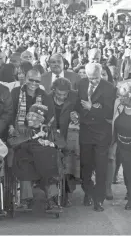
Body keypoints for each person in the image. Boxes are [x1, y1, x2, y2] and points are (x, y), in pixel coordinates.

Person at [8, 103, 66, 213]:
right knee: (24, 168)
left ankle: (52, 200)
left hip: (45, 162)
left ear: (41, 119)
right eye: (29, 116)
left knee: (50, 168)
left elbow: (62, 143)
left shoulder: (49, 131)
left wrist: (50, 143)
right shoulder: (21, 130)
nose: (30, 119)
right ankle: (25, 200)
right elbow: (13, 142)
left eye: (34, 117)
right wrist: (33, 136)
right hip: (26, 161)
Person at [74, 62, 116, 212]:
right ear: (86, 75)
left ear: (101, 73)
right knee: (86, 166)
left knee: (100, 167)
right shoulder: (80, 84)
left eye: (96, 78)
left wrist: (92, 108)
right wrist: (75, 113)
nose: (94, 81)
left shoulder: (109, 88)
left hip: (101, 133)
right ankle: (88, 192)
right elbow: (77, 104)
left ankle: (99, 199)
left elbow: (109, 112)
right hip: (85, 131)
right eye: (91, 78)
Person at [49, 78, 79, 207]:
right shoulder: (47, 98)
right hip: (51, 135)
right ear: (54, 90)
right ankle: (52, 192)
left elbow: (79, 114)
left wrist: (77, 116)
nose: (61, 97)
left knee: (68, 162)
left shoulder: (73, 99)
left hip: (67, 135)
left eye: (64, 94)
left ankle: (67, 192)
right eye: (59, 94)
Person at [109, 80, 131, 210]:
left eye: (124, 96)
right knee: (128, 173)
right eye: (120, 95)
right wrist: (112, 143)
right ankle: (130, 195)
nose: (120, 98)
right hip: (122, 144)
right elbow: (114, 123)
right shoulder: (119, 104)